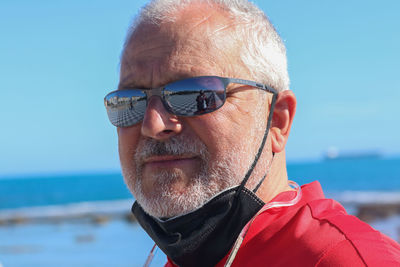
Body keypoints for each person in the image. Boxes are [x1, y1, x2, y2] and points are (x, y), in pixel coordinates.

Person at [104, 0, 400, 266]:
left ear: (277, 121)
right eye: (130, 101)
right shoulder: (192, 256)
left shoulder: (346, 259)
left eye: (195, 95)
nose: (153, 125)